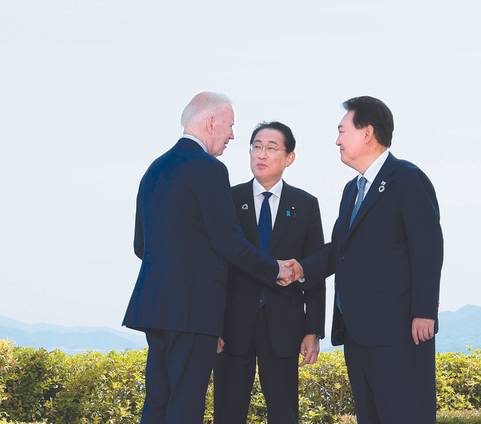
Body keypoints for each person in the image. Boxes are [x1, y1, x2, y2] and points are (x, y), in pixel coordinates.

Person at [122, 92, 295, 423]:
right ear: (211, 121)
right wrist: (273, 269)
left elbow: (141, 245)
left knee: (157, 401)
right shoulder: (210, 170)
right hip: (193, 310)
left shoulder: (154, 169)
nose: (232, 134)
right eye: (230, 125)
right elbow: (228, 242)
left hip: (155, 307)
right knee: (185, 405)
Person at [285, 96, 443, 424]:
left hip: (399, 331)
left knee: (404, 414)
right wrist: (302, 268)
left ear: (367, 133)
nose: (337, 139)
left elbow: (427, 248)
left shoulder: (407, 179)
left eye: (342, 131)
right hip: (358, 333)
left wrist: (424, 312)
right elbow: (340, 249)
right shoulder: (351, 190)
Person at [213, 122, 326, 424]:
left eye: (271, 148)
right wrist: (213, 325)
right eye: (256, 146)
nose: (261, 154)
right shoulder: (229, 199)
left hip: (284, 325)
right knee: (227, 410)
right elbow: (217, 266)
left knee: (285, 412)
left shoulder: (305, 204)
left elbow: (314, 269)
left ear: (290, 157)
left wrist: (313, 329)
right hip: (232, 325)